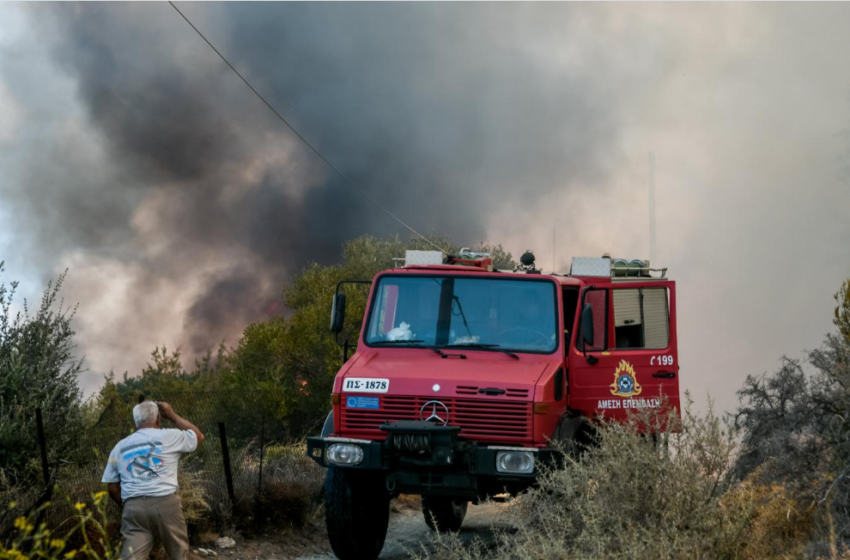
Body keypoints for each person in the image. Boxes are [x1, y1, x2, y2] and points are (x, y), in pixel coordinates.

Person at [102, 401, 205, 560]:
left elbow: (112, 488)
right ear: (158, 419)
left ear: (135, 421)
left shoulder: (119, 447)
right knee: (179, 554)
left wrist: (129, 504)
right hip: (166, 505)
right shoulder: (170, 436)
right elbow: (198, 437)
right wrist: (172, 415)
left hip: (133, 509)